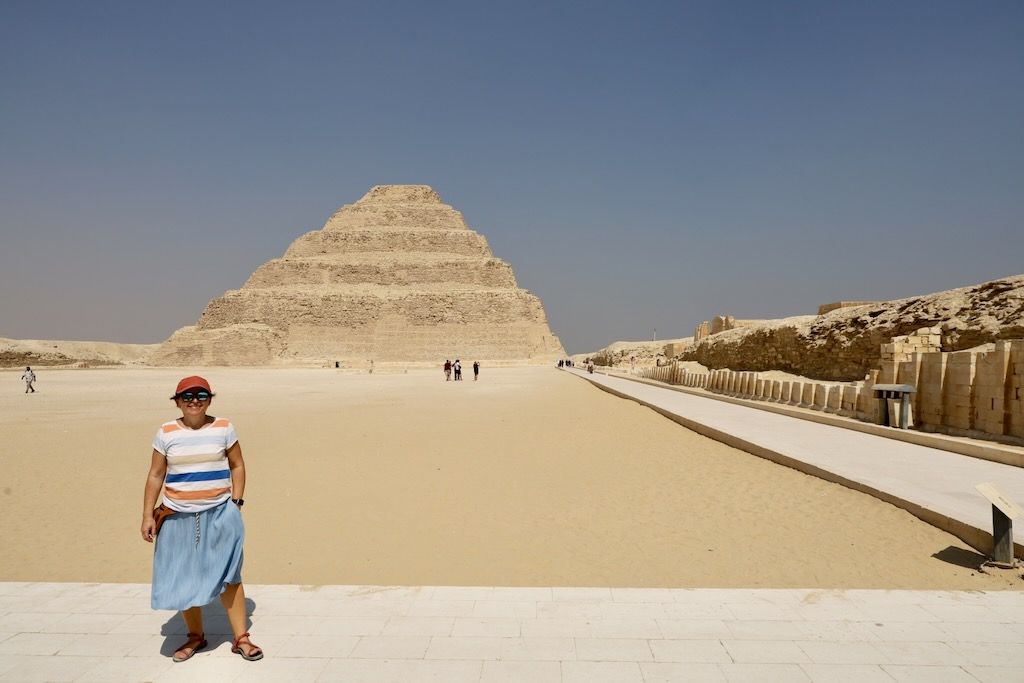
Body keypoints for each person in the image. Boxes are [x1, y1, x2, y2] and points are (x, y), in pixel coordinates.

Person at [140, 376, 263, 663]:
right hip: (177, 518)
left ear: (209, 398)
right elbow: (156, 474)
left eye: (201, 395)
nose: (194, 400)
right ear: (177, 400)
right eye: (187, 396)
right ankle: (195, 636)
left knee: (230, 575)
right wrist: (147, 514)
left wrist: (236, 502)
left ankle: (241, 638)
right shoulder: (167, 432)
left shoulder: (224, 427)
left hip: (221, 513)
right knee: (183, 577)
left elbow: (238, 464)